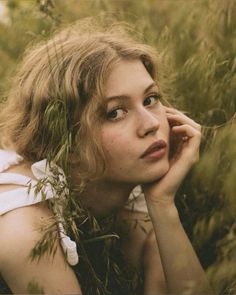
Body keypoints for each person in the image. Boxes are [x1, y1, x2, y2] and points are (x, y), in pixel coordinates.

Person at [0, 19, 213, 295]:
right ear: (66, 141)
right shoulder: (24, 228)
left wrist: (162, 204)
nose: (151, 123)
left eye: (150, 99)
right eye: (115, 113)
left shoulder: (126, 187)